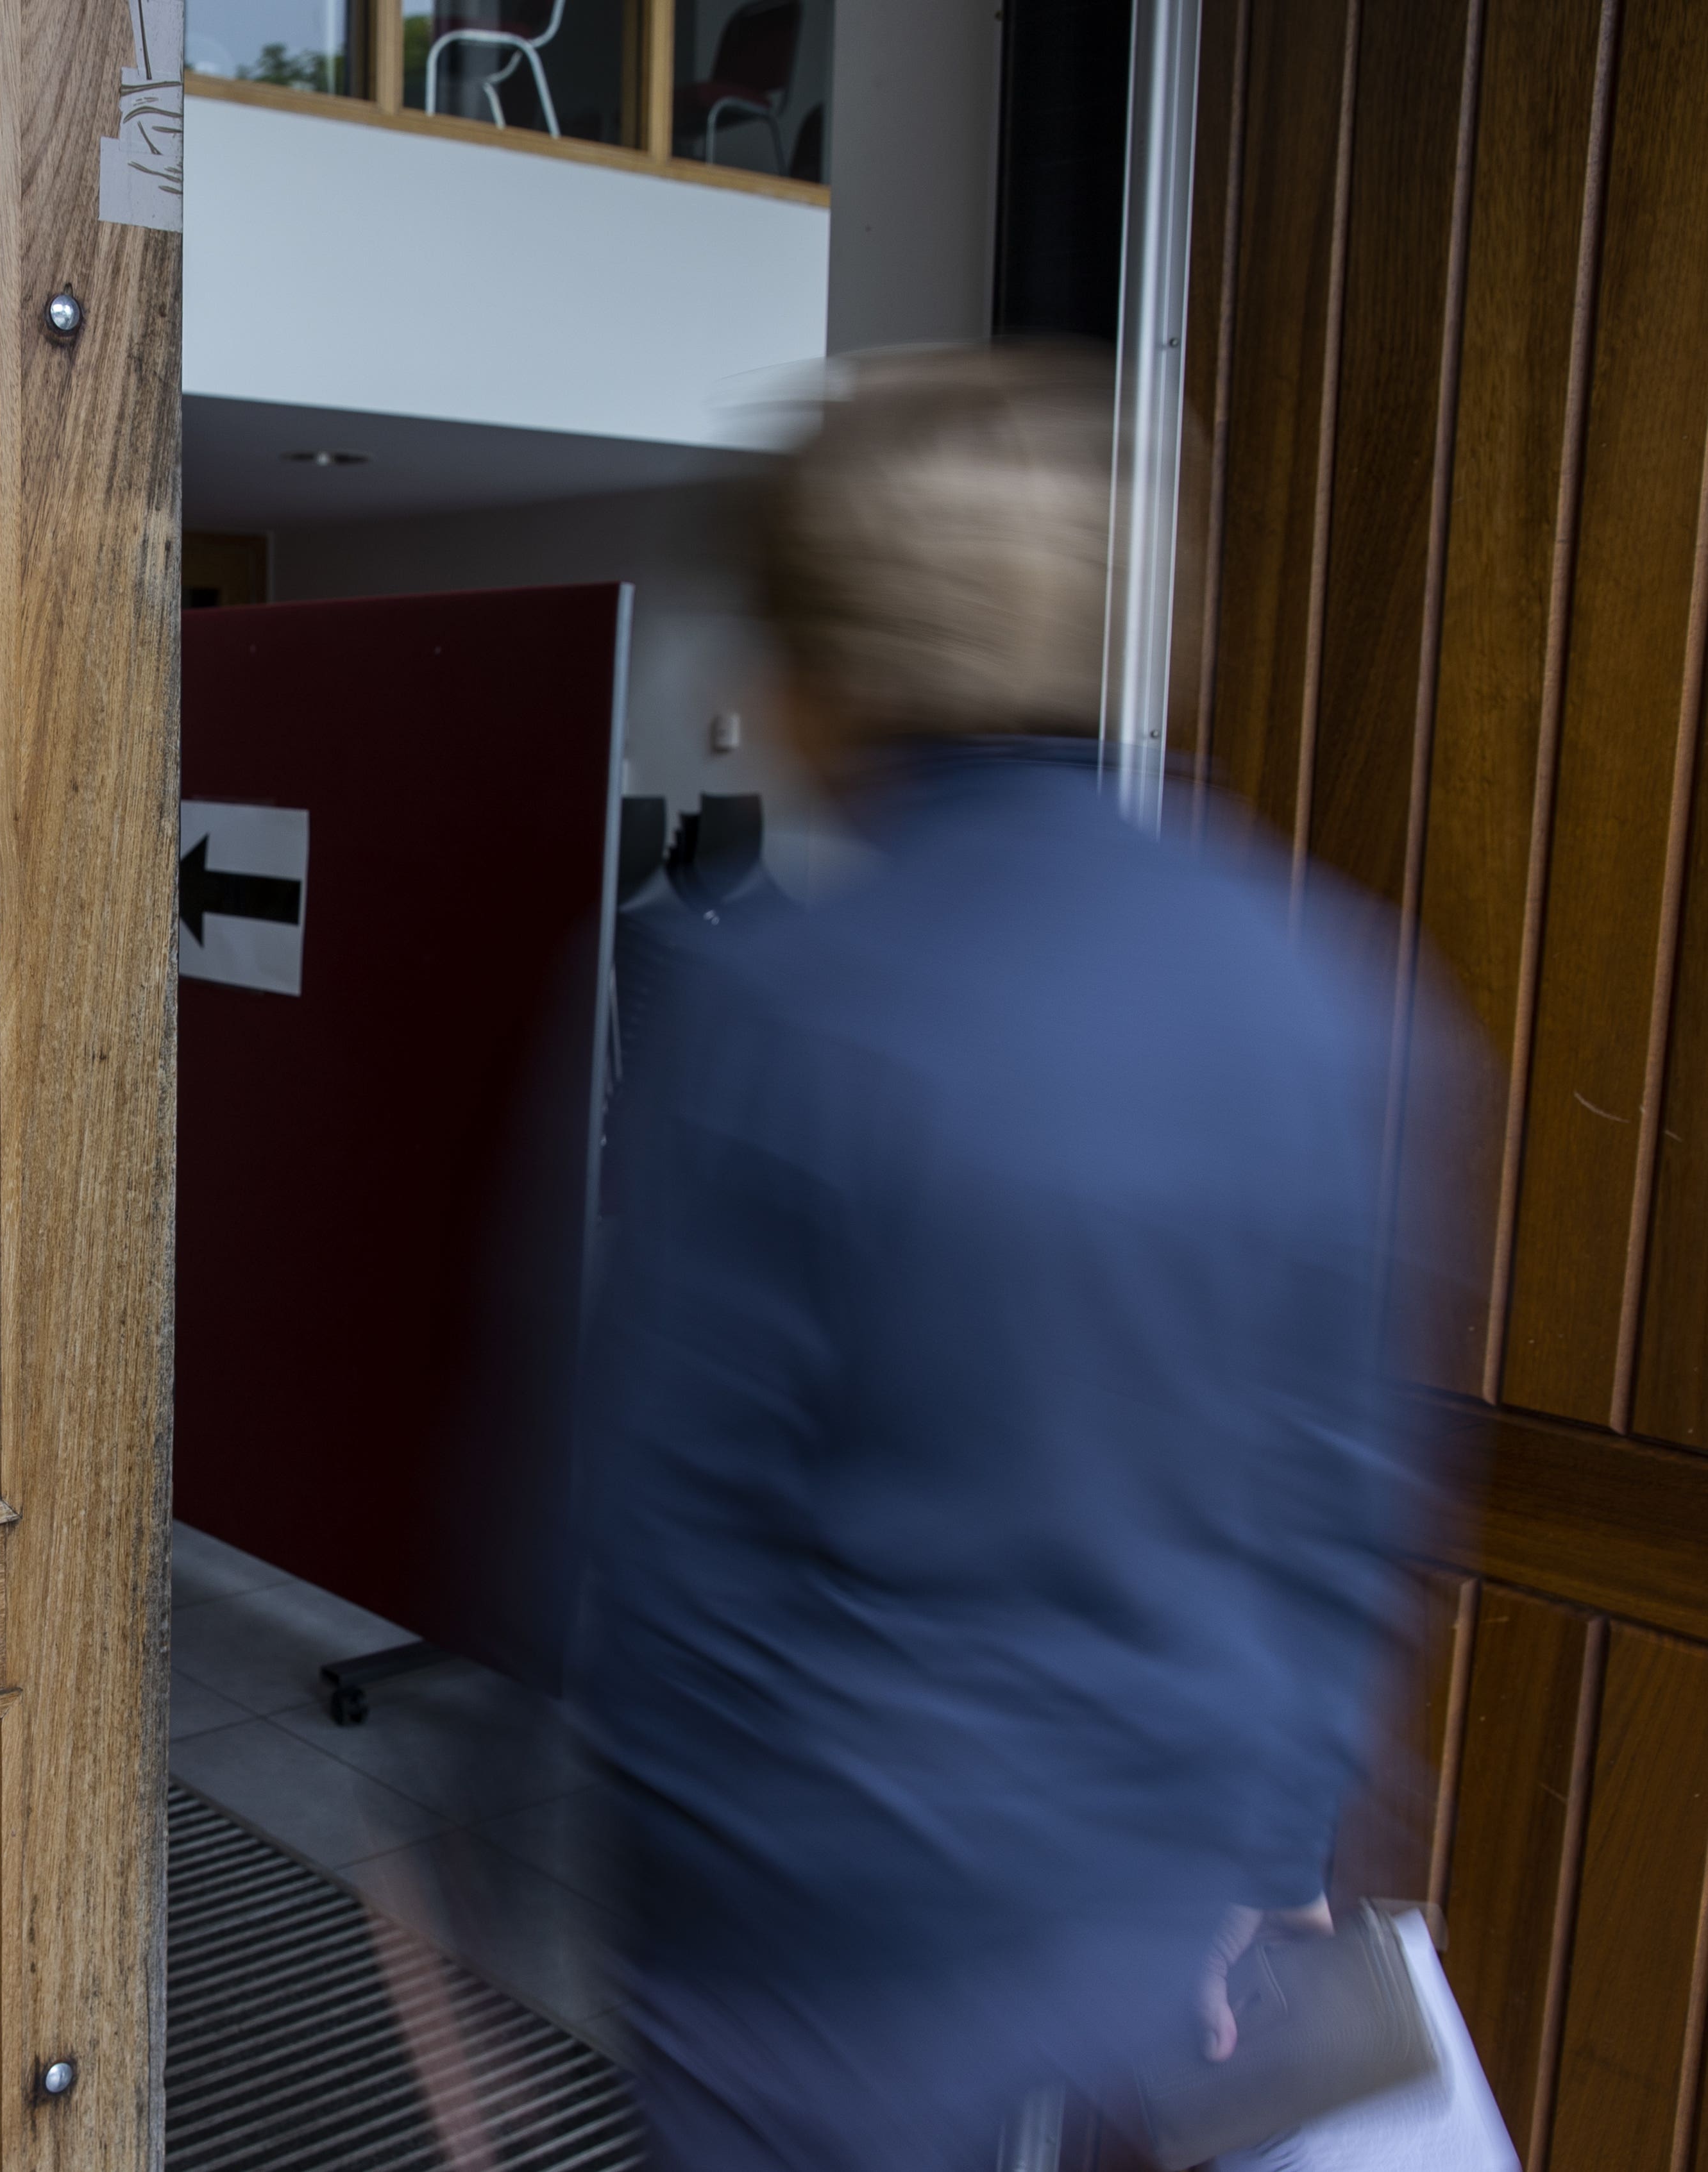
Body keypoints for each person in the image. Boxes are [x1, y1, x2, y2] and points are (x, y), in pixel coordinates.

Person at [566, 348, 1453, 2170]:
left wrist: (634, 1897)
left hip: (821, 1941)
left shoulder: (765, 1008)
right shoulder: (1329, 995)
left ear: (823, 673)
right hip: (1150, 1890)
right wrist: (1270, 1847)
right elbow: (1337, 1494)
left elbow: (658, 1528)